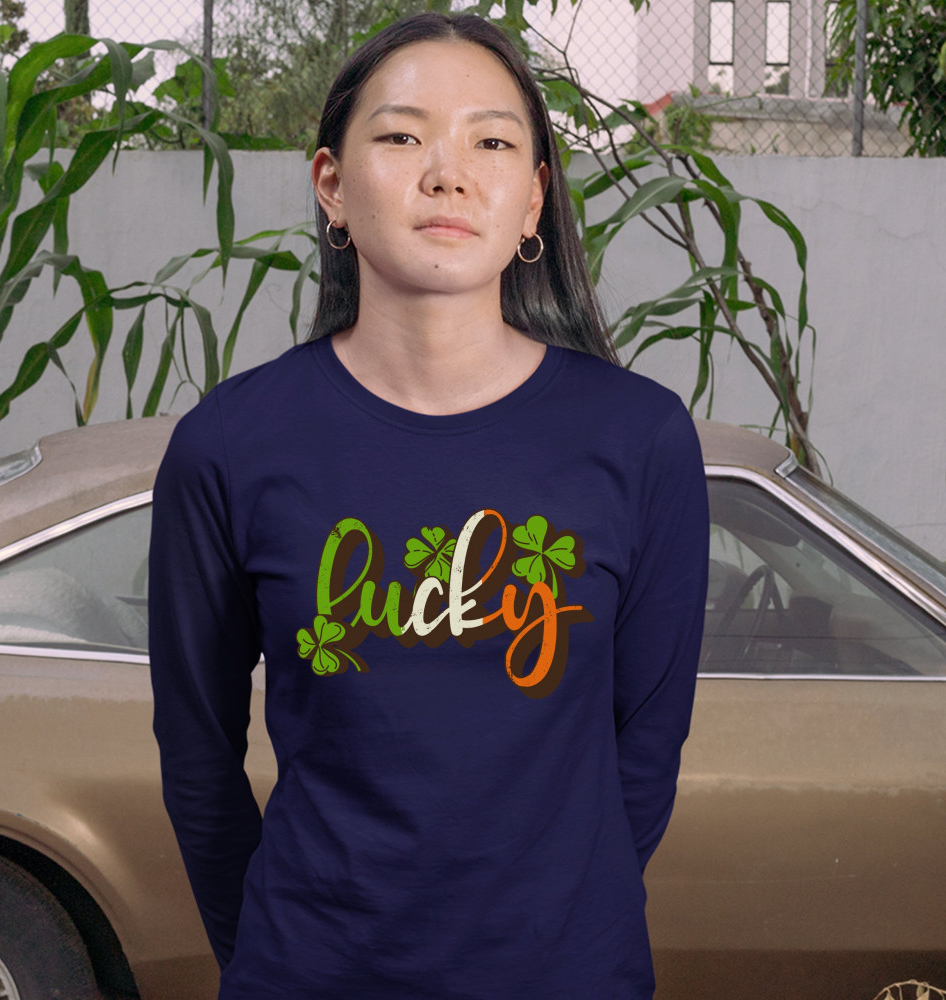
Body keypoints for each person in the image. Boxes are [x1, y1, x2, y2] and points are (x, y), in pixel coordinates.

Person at [148, 11, 709, 999]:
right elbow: (198, 754)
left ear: (533, 200)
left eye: (491, 143)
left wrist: (556, 929)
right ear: (332, 185)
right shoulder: (230, 446)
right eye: (403, 136)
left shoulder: (640, 439)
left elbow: (646, 747)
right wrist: (279, 955)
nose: (448, 174)